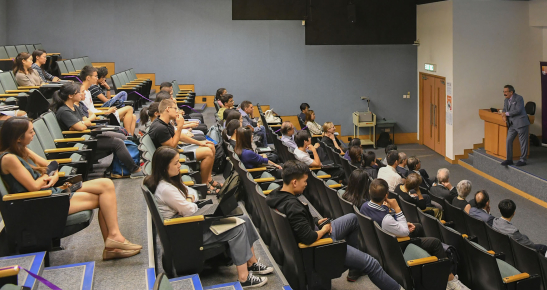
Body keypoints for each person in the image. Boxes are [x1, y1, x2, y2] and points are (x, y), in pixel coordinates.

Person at [0, 117, 142, 260]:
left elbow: (51, 164)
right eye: (30, 132)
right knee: (103, 198)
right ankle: (113, 243)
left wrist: (52, 177)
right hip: (39, 204)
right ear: (17, 137)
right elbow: (34, 186)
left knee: (106, 184)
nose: (33, 134)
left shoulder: (22, 149)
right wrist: (47, 175)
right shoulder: (9, 158)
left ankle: (114, 239)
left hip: (48, 193)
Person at [145, 147, 271, 287]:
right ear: (164, 167)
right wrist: (189, 200)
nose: (179, 165)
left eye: (178, 161)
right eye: (175, 163)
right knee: (238, 227)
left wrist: (188, 199)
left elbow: (190, 193)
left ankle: (251, 263)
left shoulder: (168, 180)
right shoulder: (165, 189)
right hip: (187, 234)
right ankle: (244, 277)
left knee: (244, 219)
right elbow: (189, 209)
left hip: (188, 225)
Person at [266, 161, 404, 290]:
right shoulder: (292, 206)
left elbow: (298, 221)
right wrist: (324, 229)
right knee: (372, 263)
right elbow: (308, 238)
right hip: (319, 247)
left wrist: (315, 221)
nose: (306, 184)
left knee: (352, 218)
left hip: (317, 236)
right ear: (294, 182)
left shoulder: (277, 194)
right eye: (305, 181)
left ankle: (352, 264)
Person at [360, 178, 470, 290]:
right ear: (386, 195)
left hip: (382, 240)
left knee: (417, 227)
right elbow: (405, 232)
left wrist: (398, 223)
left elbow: (386, 220)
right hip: (397, 246)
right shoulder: (386, 219)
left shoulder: (364, 206)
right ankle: (451, 280)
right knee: (435, 243)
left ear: (370, 192)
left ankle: (432, 264)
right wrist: (397, 208)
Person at [51, 83, 143, 178]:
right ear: (70, 96)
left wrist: (82, 123)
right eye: (77, 92)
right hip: (80, 140)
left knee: (122, 136)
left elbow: (87, 121)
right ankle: (135, 169)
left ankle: (119, 167)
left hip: (88, 134)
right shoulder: (64, 111)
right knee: (118, 143)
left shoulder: (75, 107)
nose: (81, 94)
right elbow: (81, 127)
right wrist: (82, 124)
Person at [148, 99, 220, 192]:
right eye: (175, 108)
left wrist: (199, 143)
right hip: (169, 158)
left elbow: (180, 136)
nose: (177, 111)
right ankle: (204, 185)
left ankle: (209, 179)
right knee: (208, 153)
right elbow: (172, 147)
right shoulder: (160, 128)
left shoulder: (163, 121)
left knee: (210, 146)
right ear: (168, 109)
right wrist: (180, 127)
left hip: (175, 151)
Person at [79, 66, 137, 136]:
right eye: (95, 76)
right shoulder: (81, 93)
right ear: (88, 78)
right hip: (98, 117)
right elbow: (87, 113)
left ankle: (131, 139)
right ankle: (128, 137)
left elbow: (92, 110)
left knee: (133, 117)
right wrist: (107, 112)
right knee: (129, 108)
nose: (97, 78)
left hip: (99, 113)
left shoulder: (87, 91)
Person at [500, 85, 531, 167]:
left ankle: (523, 160)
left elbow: (518, 110)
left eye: (506, 92)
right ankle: (509, 159)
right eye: (503, 92)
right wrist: (503, 114)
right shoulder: (506, 100)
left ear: (511, 92)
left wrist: (506, 114)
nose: (504, 93)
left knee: (523, 142)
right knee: (508, 140)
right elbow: (504, 109)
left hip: (521, 123)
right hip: (512, 124)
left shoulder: (519, 98)